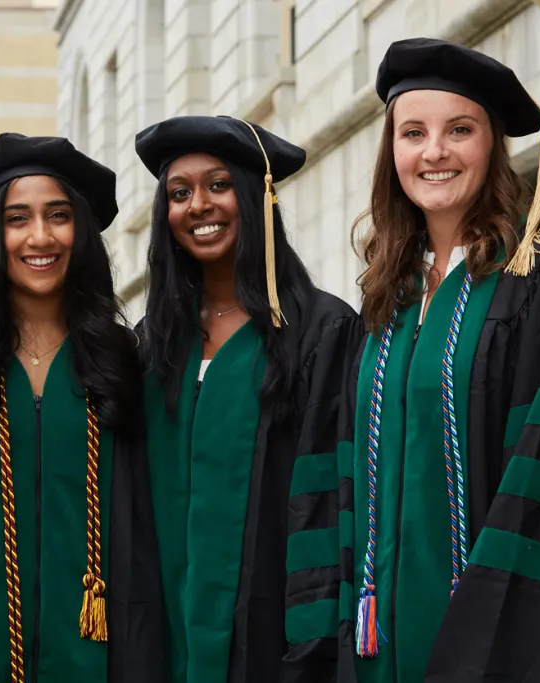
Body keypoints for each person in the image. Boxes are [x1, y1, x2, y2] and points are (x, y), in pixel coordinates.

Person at [291, 37, 540, 682]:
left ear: (493, 145)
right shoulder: (385, 293)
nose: (434, 152)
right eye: (412, 132)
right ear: (391, 151)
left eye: (460, 130)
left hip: (497, 643)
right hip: (374, 638)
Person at [133, 115, 365, 683]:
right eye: (179, 193)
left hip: (271, 645)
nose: (199, 206)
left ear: (256, 198)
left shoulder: (321, 332)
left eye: (218, 185)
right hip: (165, 639)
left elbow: (332, 508)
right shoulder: (153, 344)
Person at [0, 132, 164, 683]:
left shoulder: (123, 362)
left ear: (81, 231)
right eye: (18, 218)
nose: (40, 236)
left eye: (58, 216)